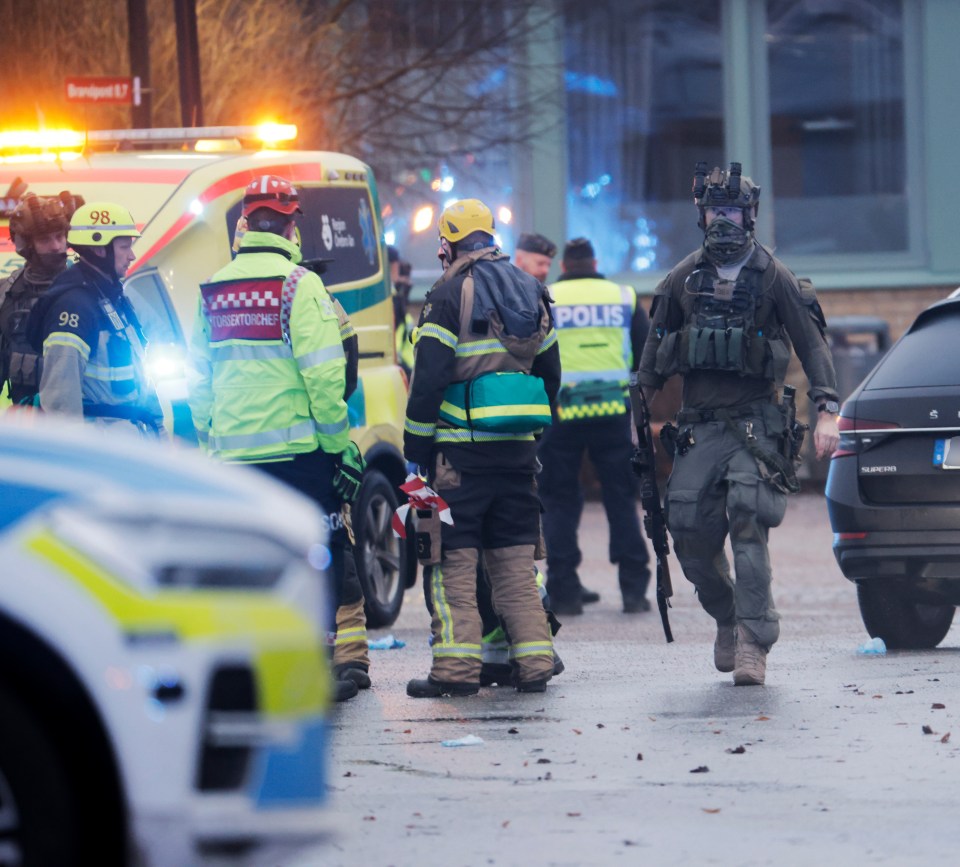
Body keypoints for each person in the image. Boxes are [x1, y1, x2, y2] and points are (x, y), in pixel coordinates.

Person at [637, 161, 840, 686]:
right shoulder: (683, 278)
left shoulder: (774, 277)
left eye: (731, 211)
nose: (722, 222)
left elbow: (812, 346)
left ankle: (754, 639)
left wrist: (828, 410)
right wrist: (635, 417)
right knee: (688, 536)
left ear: (749, 215)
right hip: (699, 425)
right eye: (713, 212)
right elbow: (654, 357)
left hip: (755, 425)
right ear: (701, 217)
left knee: (748, 523)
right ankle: (728, 617)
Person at [186, 175, 369, 703]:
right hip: (300, 457)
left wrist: (210, 441)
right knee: (320, 555)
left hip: (235, 459)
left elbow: (199, 381)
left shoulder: (215, 288)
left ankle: (258, 668)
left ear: (244, 224)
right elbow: (323, 377)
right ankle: (313, 666)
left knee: (252, 562)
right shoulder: (299, 285)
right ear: (291, 225)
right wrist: (339, 448)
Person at [403, 198, 560, 697]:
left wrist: (416, 447)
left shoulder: (448, 293)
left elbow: (427, 380)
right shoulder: (532, 289)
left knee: (452, 569)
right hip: (516, 456)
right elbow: (551, 374)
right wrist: (530, 435)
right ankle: (535, 665)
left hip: (458, 460)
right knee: (515, 566)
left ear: (447, 245)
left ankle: (454, 672)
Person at [538, 237, 652, 616]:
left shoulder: (546, 295)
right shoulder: (623, 296)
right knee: (620, 498)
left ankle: (565, 590)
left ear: (565, 266)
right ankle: (634, 589)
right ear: (595, 262)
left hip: (560, 412)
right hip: (611, 409)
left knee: (560, 501)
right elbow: (644, 352)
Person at [26, 201, 164, 436]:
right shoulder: (73, 307)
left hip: (134, 440)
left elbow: (140, 376)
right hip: (104, 449)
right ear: (100, 249)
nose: (131, 255)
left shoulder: (112, 298)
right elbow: (60, 403)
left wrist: (159, 431)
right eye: (124, 247)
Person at [0, 191, 84, 407]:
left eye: (59, 236)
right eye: (45, 239)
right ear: (26, 245)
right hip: (30, 427)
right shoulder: (6, 294)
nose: (56, 246)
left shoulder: (89, 288)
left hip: (85, 422)